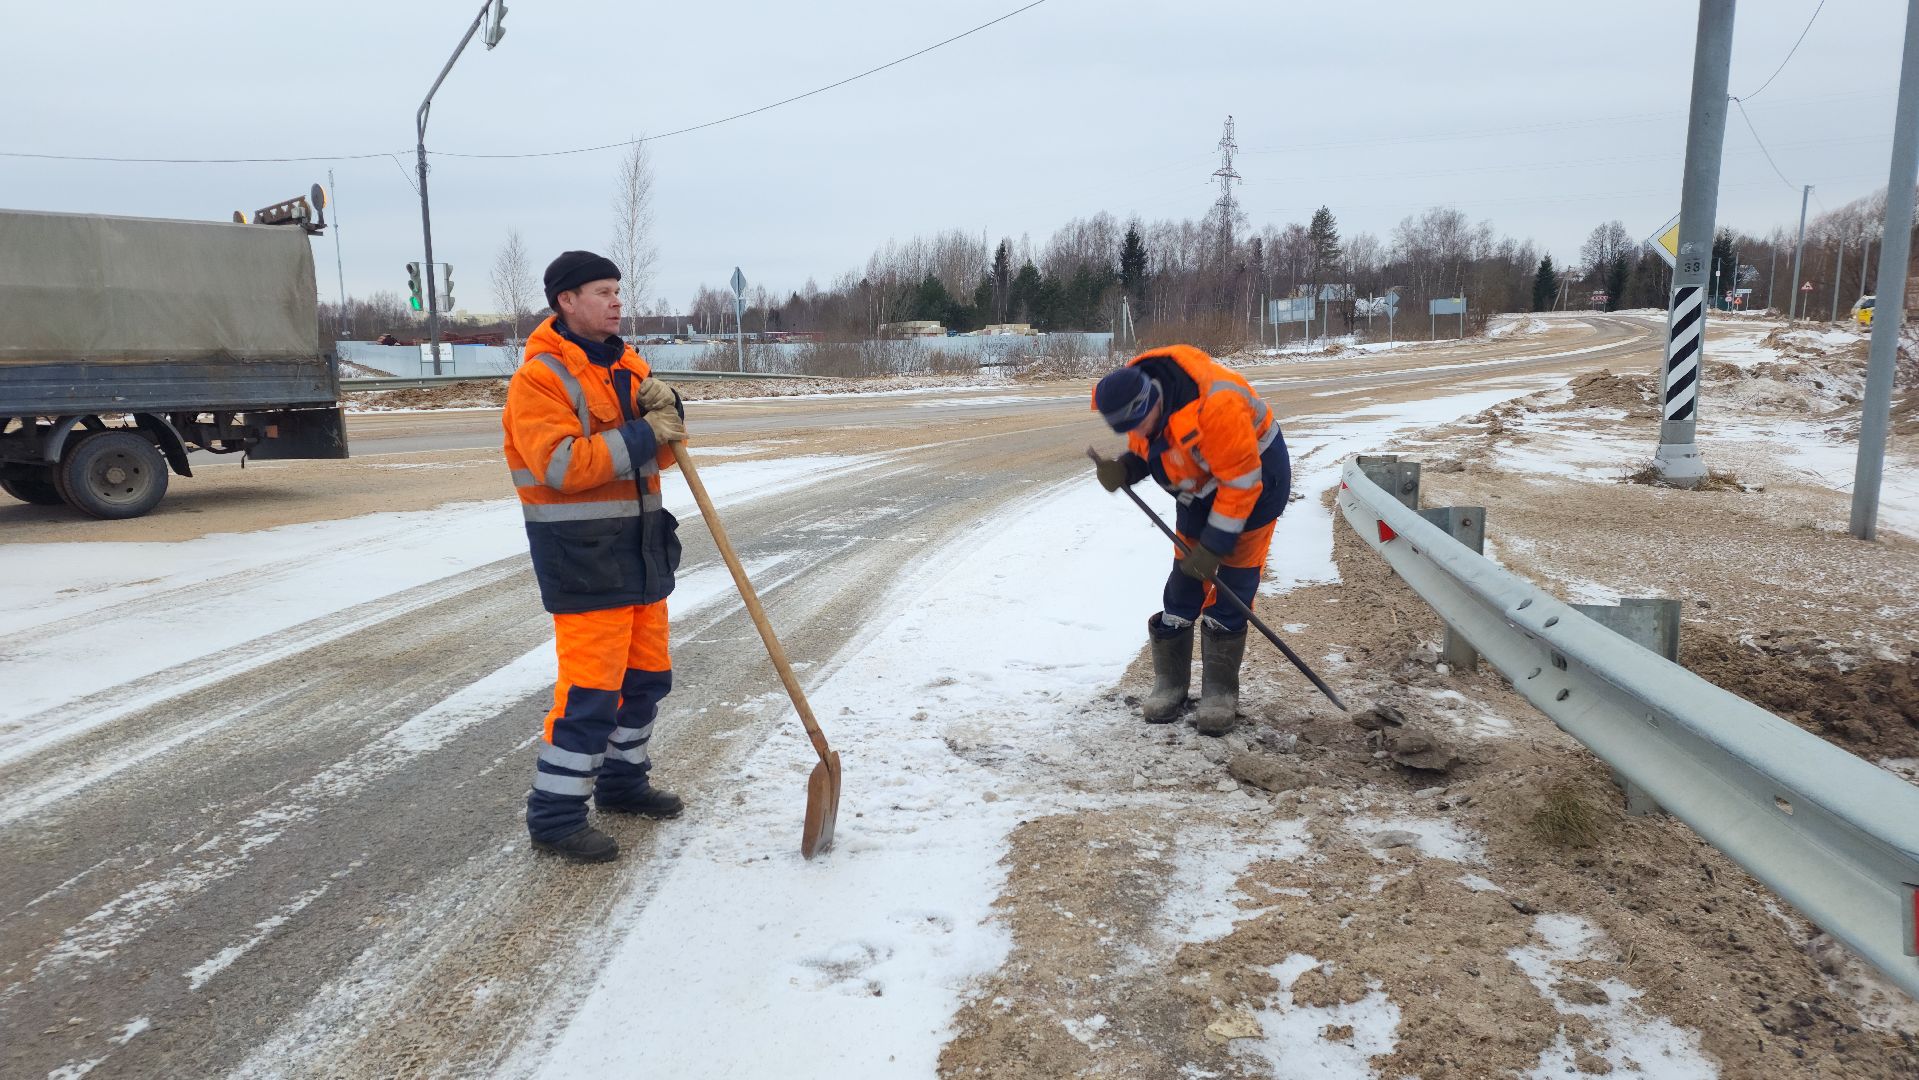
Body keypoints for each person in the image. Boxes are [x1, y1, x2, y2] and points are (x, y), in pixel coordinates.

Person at [503, 250, 689, 862]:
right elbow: (561, 468)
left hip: (641, 554)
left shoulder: (630, 369)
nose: (616, 301)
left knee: (646, 682)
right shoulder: (540, 380)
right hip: (583, 559)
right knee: (590, 694)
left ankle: (622, 783)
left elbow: (654, 461)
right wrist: (645, 432)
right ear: (566, 301)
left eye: (618, 290)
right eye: (602, 291)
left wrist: (670, 419)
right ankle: (555, 816)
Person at [1088, 345, 1291, 736]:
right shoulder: (1144, 398)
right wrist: (1128, 468)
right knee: (1184, 580)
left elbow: (1242, 482)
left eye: (1138, 421)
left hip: (1255, 486)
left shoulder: (1218, 406)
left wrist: (1215, 545)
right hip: (1197, 490)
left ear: (1152, 400)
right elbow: (1157, 446)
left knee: (1233, 585)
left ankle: (1219, 692)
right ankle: (1171, 685)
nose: (1136, 431)